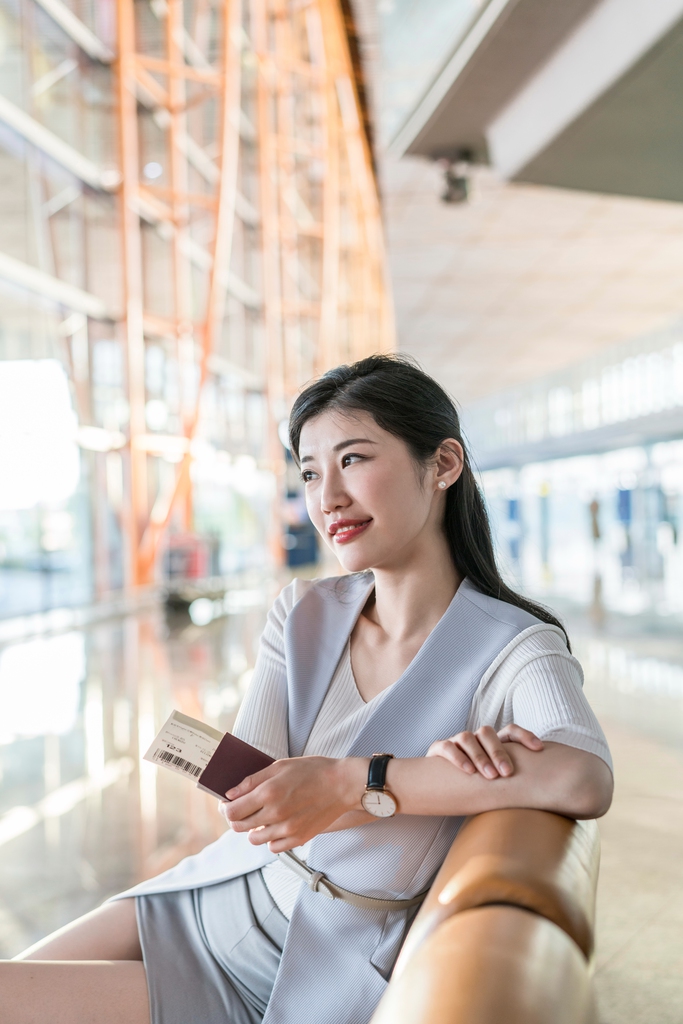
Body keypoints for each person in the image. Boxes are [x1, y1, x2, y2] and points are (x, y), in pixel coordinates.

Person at [1, 355, 613, 1024]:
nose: (327, 499)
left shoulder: (513, 646)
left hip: (300, 961)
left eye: (353, 460)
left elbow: (582, 777)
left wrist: (357, 780)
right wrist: (419, 778)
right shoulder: (302, 610)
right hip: (216, 890)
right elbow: (251, 804)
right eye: (312, 472)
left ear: (442, 464)